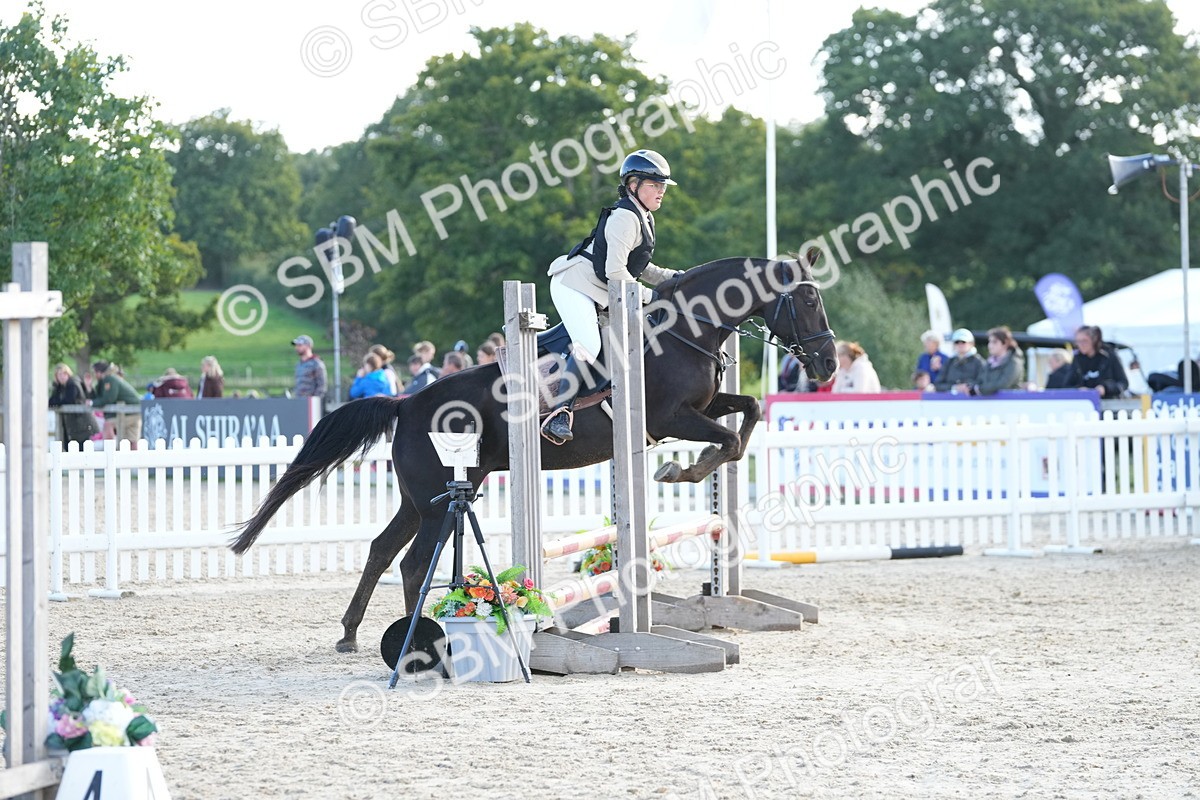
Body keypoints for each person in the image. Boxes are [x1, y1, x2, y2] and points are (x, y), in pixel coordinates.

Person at [543, 148, 683, 442]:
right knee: (590, 346)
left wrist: (677, 278)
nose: (661, 192)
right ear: (633, 185)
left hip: (597, 291)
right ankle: (559, 414)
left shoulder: (643, 217)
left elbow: (642, 268)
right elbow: (616, 273)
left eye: (662, 187)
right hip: (574, 285)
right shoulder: (625, 217)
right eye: (654, 185)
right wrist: (651, 298)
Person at [1065, 325, 1128, 398]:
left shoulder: (1109, 356)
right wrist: (1078, 390)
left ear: (1094, 340)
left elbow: (1123, 383)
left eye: (1085, 341)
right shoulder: (1077, 359)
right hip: (1086, 404)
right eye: (1078, 341)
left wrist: (1105, 388)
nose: (1081, 345)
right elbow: (1066, 386)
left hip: (1109, 404)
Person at [88, 360, 143, 444]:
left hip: (128, 411)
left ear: (99, 372)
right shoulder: (110, 379)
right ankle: (134, 456)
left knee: (108, 424)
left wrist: (92, 403)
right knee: (132, 440)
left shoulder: (109, 379)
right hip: (135, 410)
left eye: (94, 372)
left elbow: (109, 399)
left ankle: (110, 450)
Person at [965, 326, 1024, 396]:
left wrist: (978, 389)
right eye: (989, 342)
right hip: (991, 405)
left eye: (994, 342)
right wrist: (970, 386)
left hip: (1010, 403)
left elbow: (1002, 384)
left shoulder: (1014, 362)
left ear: (1004, 343)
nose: (990, 345)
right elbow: (980, 380)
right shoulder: (989, 362)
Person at [50, 363, 99, 446]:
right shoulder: (60, 387)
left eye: (64, 373)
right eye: (59, 374)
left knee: (81, 449)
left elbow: (69, 400)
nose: (62, 376)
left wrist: (57, 402)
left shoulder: (73, 384)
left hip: (81, 423)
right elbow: (52, 400)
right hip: (71, 425)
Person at [934, 328, 986, 393]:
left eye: (963, 342)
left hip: (973, 400)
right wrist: (954, 387)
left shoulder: (979, 362)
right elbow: (938, 384)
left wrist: (969, 387)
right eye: (957, 342)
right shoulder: (949, 362)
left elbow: (983, 382)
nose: (960, 345)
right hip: (952, 401)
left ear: (971, 343)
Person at [292, 335, 328, 401]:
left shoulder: (317, 363)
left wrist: (315, 401)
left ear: (308, 346)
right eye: (296, 345)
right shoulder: (299, 364)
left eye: (300, 345)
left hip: (311, 404)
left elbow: (322, 386)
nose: (297, 348)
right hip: (299, 402)